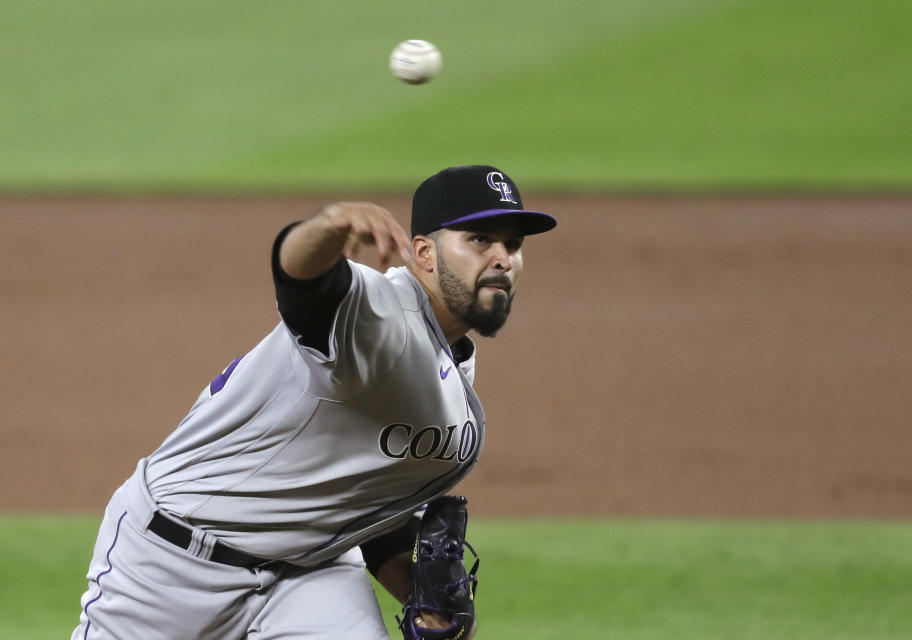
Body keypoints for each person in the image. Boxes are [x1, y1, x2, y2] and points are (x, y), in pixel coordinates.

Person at [72, 164, 557, 640]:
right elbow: (299, 278)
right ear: (425, 254)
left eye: (512, 245)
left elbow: (366, 507)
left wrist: (430, 603)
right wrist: (327, 226)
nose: (502, 258)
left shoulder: (451, 360)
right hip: (173, 560)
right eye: (479, 240)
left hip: (308, 571)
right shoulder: (376, 315)